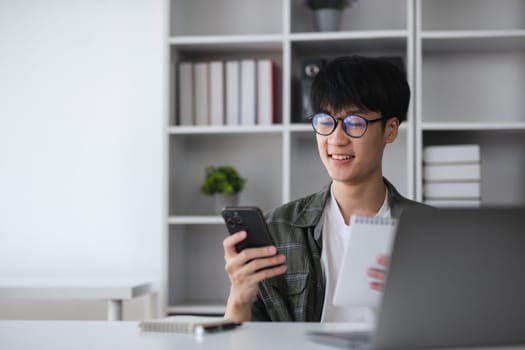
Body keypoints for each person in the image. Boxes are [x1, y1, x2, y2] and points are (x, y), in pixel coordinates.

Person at [222, 55, 429, 323]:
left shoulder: (428, 230)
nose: (336, 139)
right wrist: (239, 298)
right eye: (325, 121)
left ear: (390, 130)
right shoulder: (277, 229)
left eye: (354, 122)